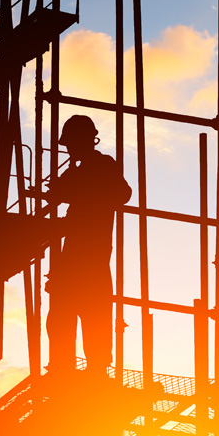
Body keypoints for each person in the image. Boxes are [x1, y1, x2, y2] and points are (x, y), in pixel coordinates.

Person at [45, 115, 131, 379]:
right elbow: (60, 193)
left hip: (92, 258)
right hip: (71, 258)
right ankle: (61, 368)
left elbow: (123, 194)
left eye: (71, 143)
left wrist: (81, 190)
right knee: (60, 317)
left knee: (94, 315)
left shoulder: (103, 165)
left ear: (85, 140)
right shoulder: (77, 170)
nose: (68, 149)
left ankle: (96, 371)